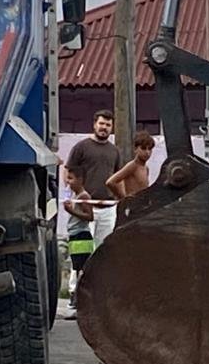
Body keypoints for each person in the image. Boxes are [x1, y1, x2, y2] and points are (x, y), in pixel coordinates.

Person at [65, 109, 121, 248]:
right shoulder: (81, 147)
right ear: (94, 124)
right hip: (85, 208)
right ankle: (78, 271)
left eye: (108, 125)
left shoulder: (114, 151)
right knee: (83, 250)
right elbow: (68, 172)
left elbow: (118, 177)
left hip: (108, 209)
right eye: (101, 123)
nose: (104, 127)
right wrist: (67, 196)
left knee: (104, 249)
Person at [63, 167, 95, 316]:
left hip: (82, 237)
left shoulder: (84, 196)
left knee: (81, 271)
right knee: (77, 270)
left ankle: (80, 300)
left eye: (71, 178)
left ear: (81, 180)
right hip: (75, 236)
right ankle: (77, 299)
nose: (68, 182)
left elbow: (89, 216)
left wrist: (71, 211)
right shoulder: (76, 195)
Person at [105, 130, 155, 201]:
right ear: (135, 149)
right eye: (143, 148)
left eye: (150, 149)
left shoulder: (146, 168)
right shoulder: (133, 166)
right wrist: (123, 198)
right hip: (132, 207)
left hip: (142, 206)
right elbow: (110, 182)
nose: (147, 152)